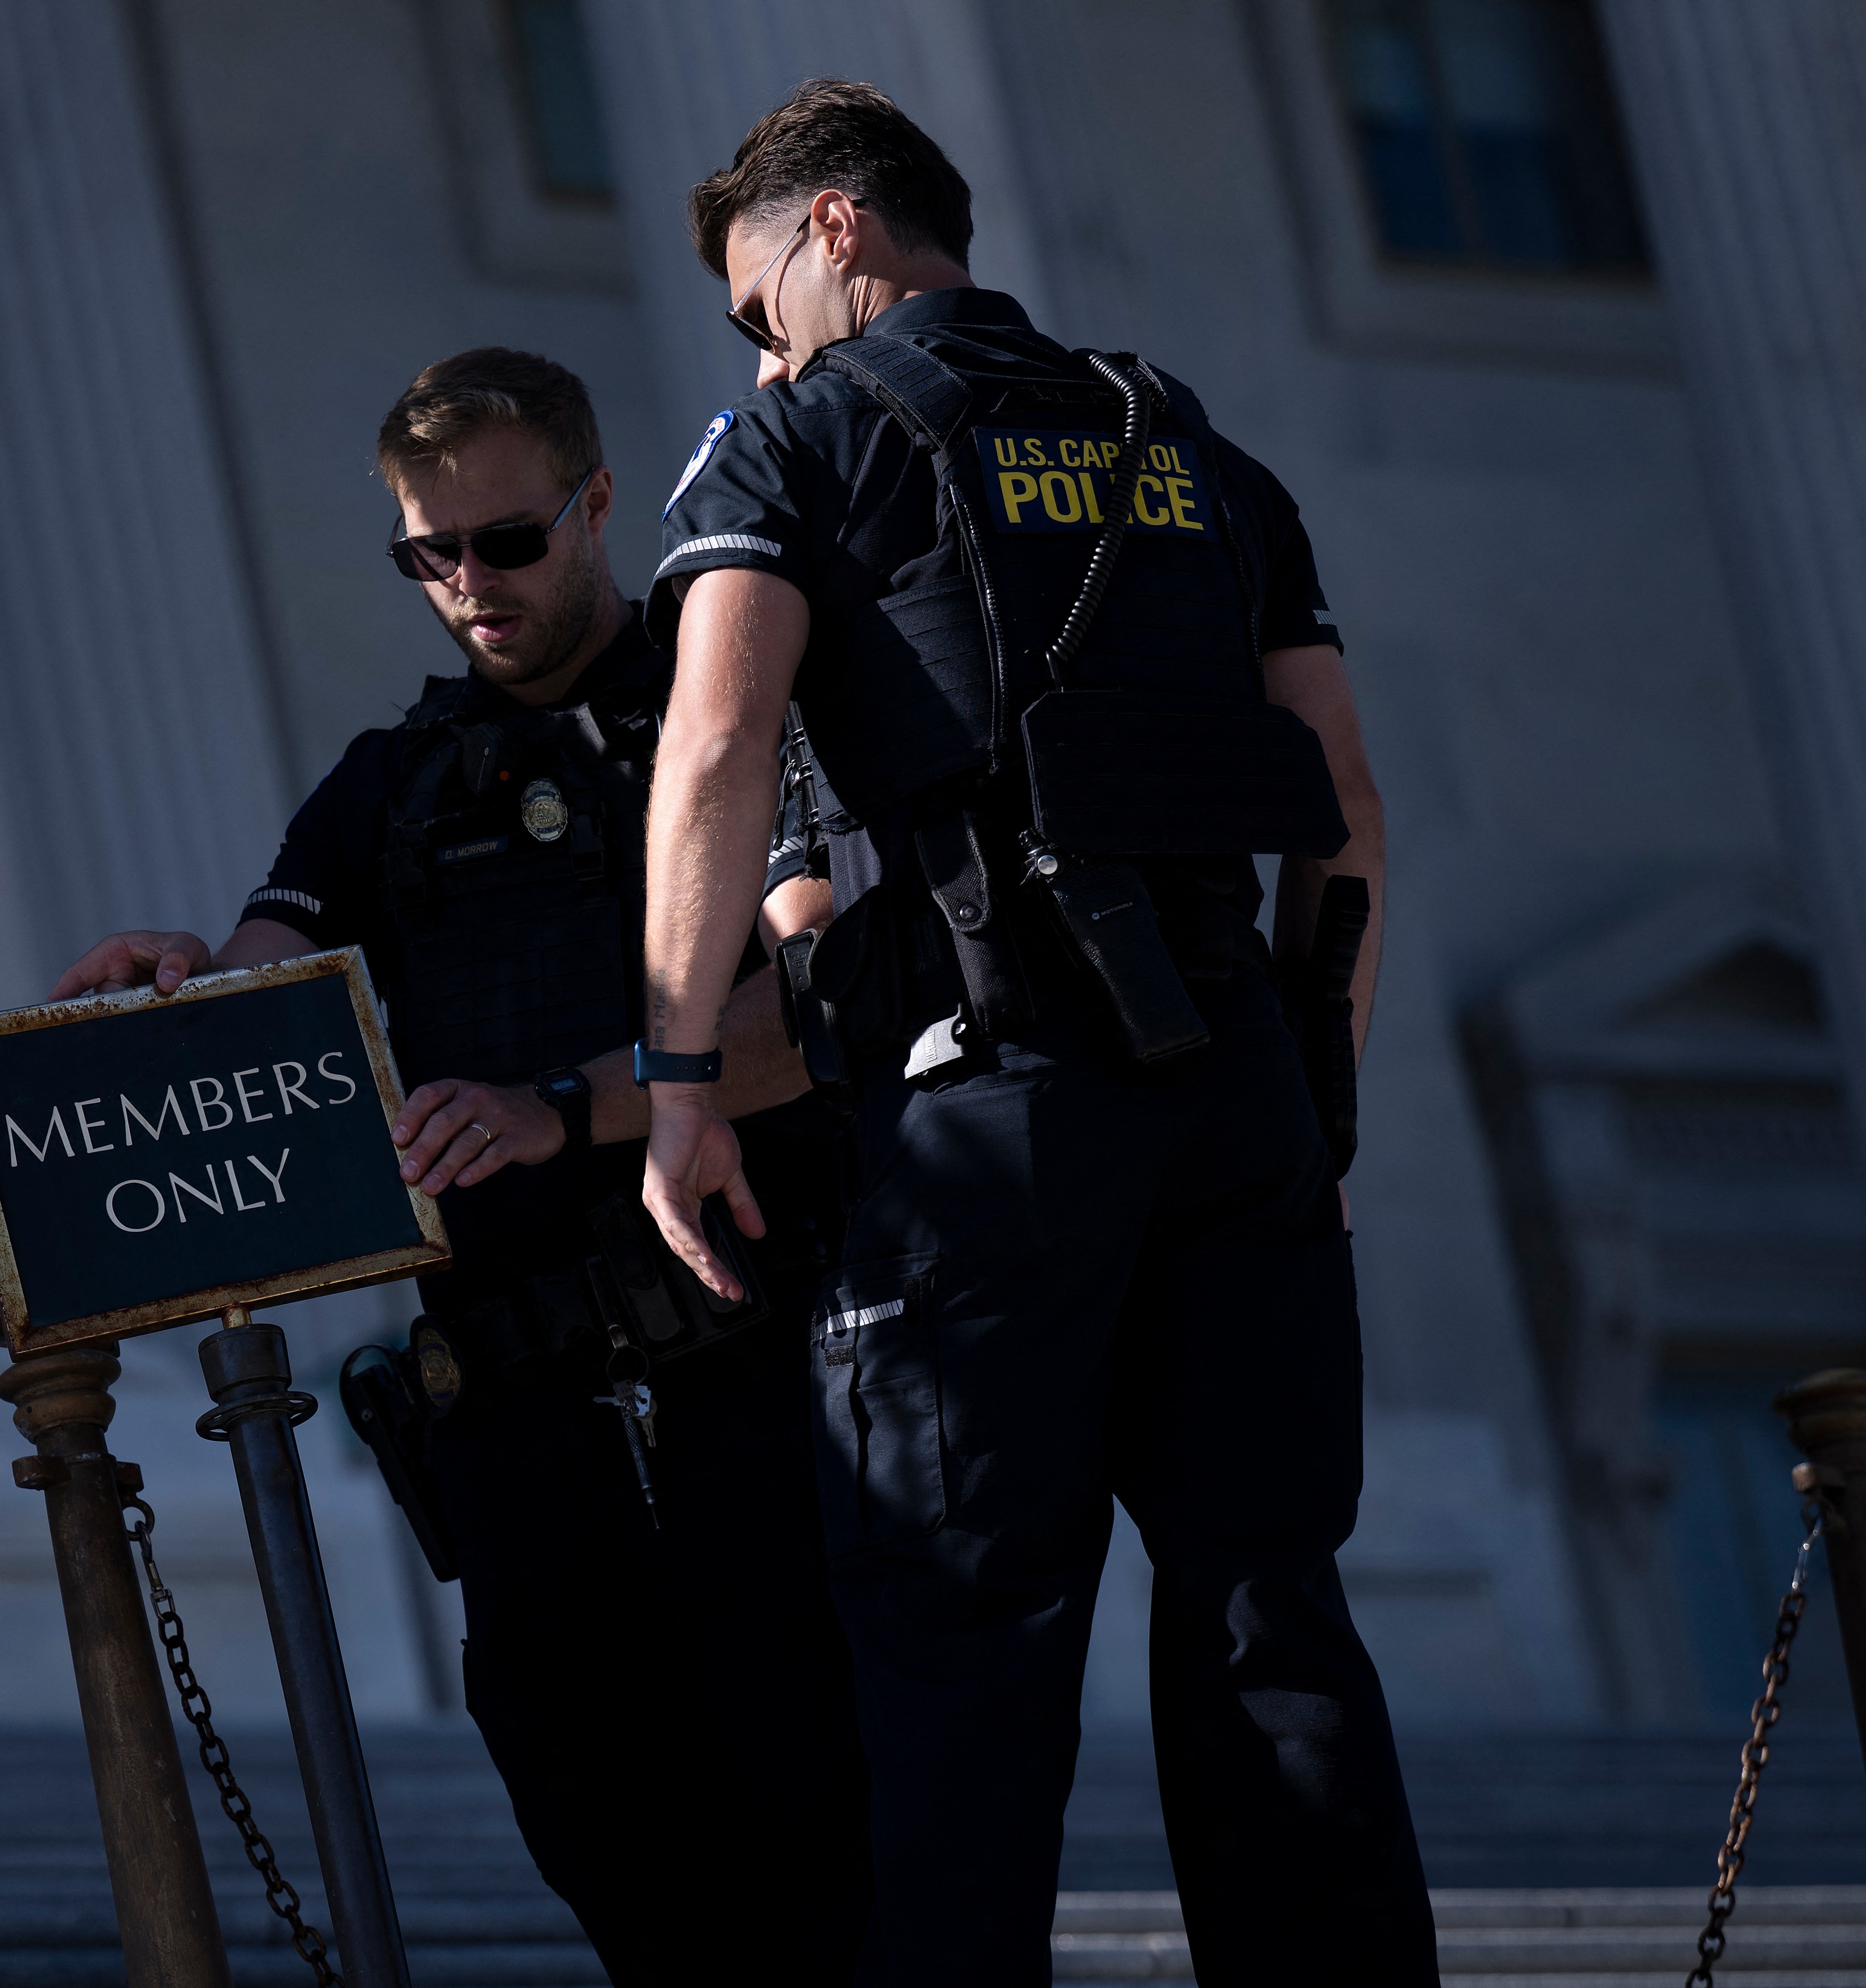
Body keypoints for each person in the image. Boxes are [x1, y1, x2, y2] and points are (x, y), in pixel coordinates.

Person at [628, 82, 1437, 1985]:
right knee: (1271, 1623)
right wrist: (1316, 1090)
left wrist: (676, 1084)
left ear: (835, 230)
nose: (754, 342)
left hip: (993, 1113)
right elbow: (1348, 808)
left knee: (954, 1646)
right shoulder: (1193, 446)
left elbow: (719, 748)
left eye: (757, 301)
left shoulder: (796, 443)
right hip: (1238, 1087)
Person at [50, 348, 872, 1985]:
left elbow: (824, 1006)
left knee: (844, 1868)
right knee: (625, 1870)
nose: (470, 588)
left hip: (757, 1391)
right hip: (519, 1422)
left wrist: (564, 1109)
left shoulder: (730, 721)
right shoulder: (388, 785)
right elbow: (263, 972)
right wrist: (175, 988)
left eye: (505, 542)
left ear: (594, 506)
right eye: (430, 555)